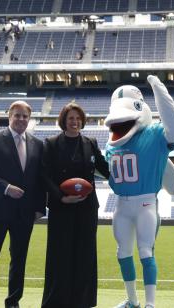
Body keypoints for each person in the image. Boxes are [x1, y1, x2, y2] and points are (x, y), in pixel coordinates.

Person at [105, 76, 174, 308]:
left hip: (146, 203)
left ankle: (150, 303)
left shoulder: (154, 134)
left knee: (146, 251)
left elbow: (173, 129)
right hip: (121, 205)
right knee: (122, 253)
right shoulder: (111, 144)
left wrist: (159, 90)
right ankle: (132, 300)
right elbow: (104, 170)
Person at [0, 101, 46, 308]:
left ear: (29, 119)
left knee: (19, 259)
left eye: (25, 116)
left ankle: (13, 301)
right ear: (9, 116)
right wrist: (6, 188)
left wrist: (40, 207)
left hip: (25, 213)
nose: (21, 119)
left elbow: (40, 178)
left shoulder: (37, 144)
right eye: (17, 115)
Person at [41, 102, 110, 308]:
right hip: (62, 206)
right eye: (71, 118)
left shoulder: (90, 142)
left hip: (87, 207)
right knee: (59, 253)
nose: (75, 122)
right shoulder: (51, 143)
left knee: (85, 254)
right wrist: (61, 197)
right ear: (64, 120)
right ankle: (56, 301)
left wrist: (125, 173)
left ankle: (83, 301)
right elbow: (44, 176)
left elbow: (105, 169)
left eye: (78, 118)